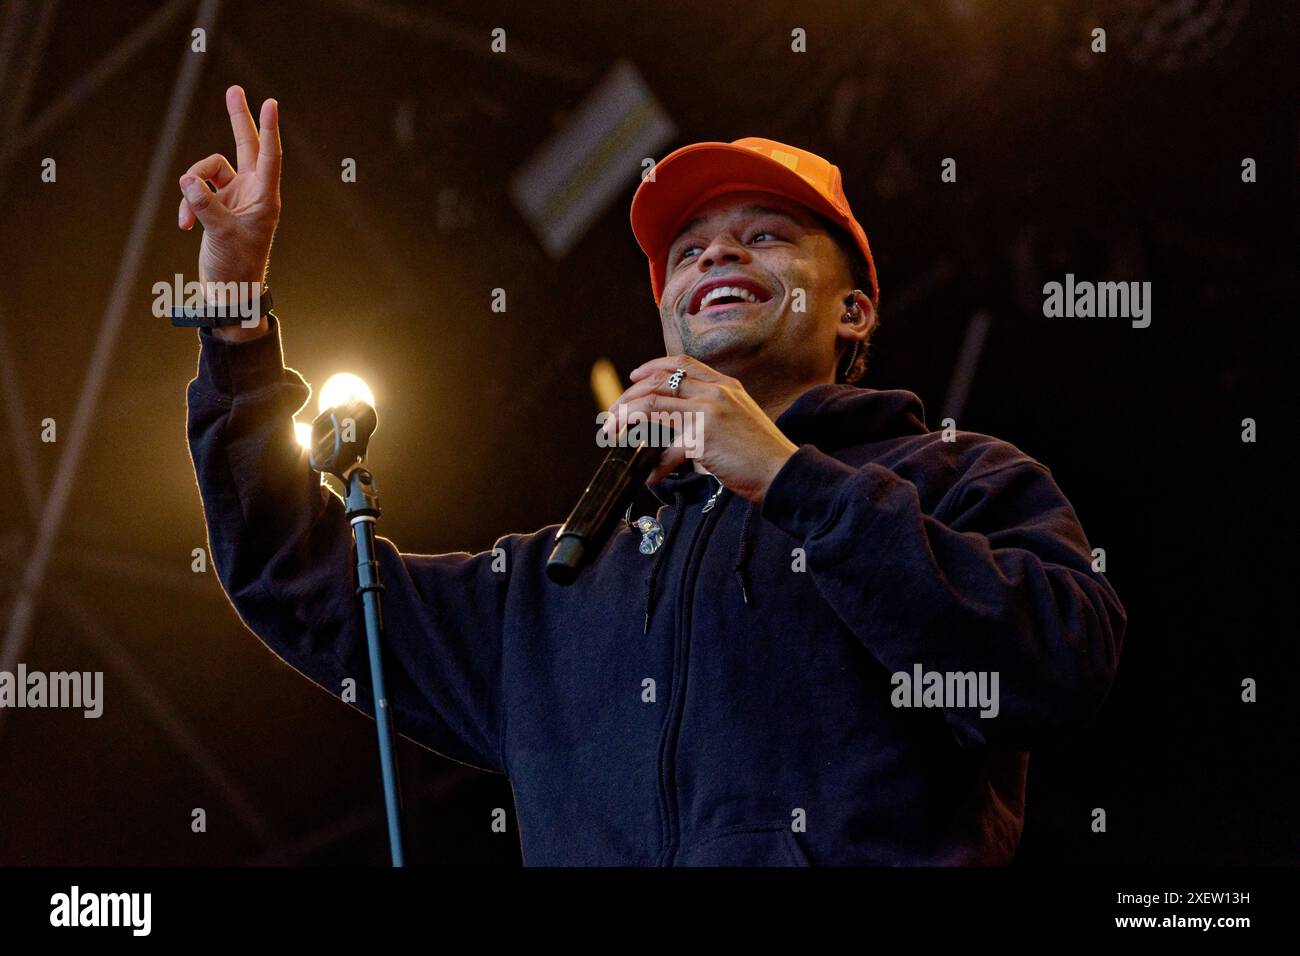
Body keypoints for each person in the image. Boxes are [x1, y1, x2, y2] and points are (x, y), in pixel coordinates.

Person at [180, 85, 1125, 866]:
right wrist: (231, 310)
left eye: (765, 237)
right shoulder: (556, 585)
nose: (716, 252)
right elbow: (294, 576)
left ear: (855, 311)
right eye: (688, 250)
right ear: (669, 311)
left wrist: (790, 479)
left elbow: (1055, 666)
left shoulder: (959, 480)